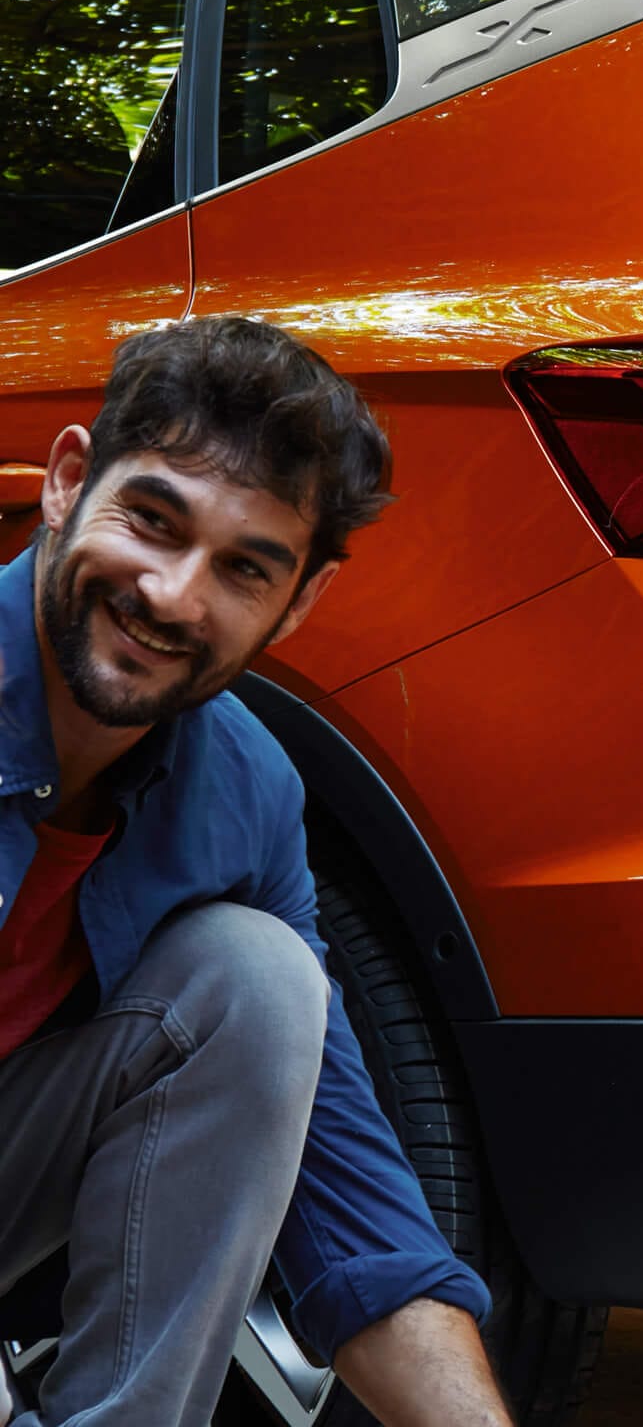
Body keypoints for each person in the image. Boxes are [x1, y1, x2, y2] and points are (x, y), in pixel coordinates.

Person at [0, 319, 509, 1426]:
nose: (176, 597)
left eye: (243, 567)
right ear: (68, 482)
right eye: (152, 520)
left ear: (300, 603)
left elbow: (346, 1188)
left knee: (262, 976)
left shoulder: (250, 791)